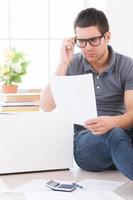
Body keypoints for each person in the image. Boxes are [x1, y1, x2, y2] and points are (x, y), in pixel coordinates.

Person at [40, 8, 133, 180]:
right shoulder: (72, 64)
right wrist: (63, 63)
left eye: (93, 40)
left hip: (122, 133)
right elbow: (46, 106)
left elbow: (132, 113)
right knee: (115, 135)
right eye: (81, 41)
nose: (87, 48)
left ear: (107, 37)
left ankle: (122, 156)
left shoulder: (127, 65)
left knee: (118, 133)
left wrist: (113, 121)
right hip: (87, 144)